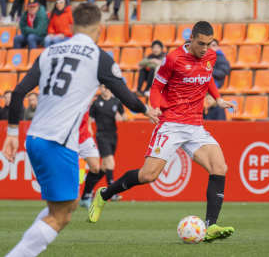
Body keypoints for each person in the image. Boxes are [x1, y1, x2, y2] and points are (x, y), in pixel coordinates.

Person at [2, 2, 158, 257]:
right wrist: (146, 110)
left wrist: (11, 133)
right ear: (100, 29)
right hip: (58, 142)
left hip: (34, 137)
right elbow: (126, 98)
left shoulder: (49, 52)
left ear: (72, 26)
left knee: (67, 205)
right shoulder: (99, 57)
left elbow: (19, 92)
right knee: (61, 216)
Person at [88, 21, 237, 243]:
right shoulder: (173, 58)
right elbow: (157, 87)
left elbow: (208, 78)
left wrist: (218, 98)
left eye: (209, 44)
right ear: (191, 39)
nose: (205, 48)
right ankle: (104, 195)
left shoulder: (210, 57)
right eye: (201, 43)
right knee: (148, 175)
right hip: (171, 123)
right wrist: (155, 107)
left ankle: (210, 225)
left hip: (195, 125)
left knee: (220, 167)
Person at [89, 84, 127, 202]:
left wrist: (121, 117)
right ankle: (113, 192)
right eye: (103, 87)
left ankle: (89, 188)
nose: (105, 89)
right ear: (100, 89)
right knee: (110, 162)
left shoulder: (116, 102)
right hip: (101, 135)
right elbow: (89, 120)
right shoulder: (96, 103)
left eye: (107, 87)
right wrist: (89, 130)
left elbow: (125, 117)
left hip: (113, 135)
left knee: (105, 167)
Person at [78, 107, 101, 210]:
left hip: (85, 137)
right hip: (69, 139)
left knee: (96, 167)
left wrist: (89, 125)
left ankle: (85, 197)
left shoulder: (87, 94)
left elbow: (87, 113)